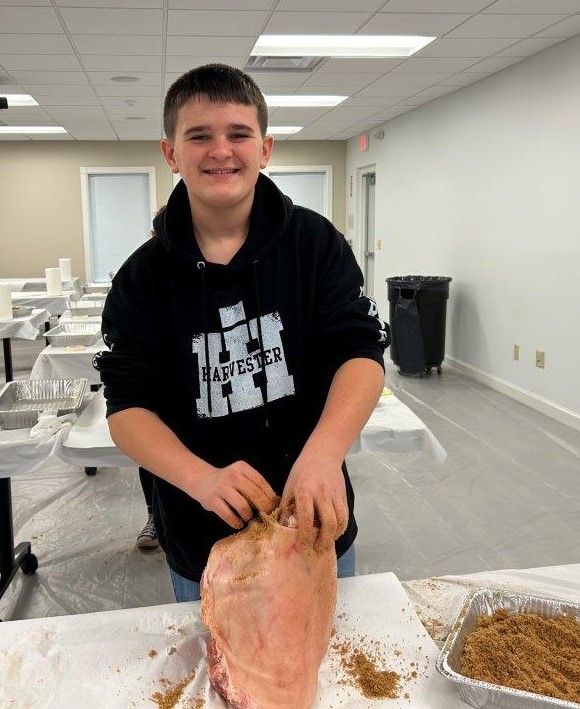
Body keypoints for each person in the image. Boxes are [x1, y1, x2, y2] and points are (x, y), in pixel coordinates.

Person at [94, 63, 389, 602]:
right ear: (171, 153)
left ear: (266, 148)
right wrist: (201, 479)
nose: (221, 150)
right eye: (199, 135)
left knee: (325, 675)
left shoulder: (314, 245)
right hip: (201, 539)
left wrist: (324, 451)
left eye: (238, 134)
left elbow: (361, 352)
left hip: (313, 525)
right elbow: (127, 410)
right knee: (223, 680)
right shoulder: (141, 279)